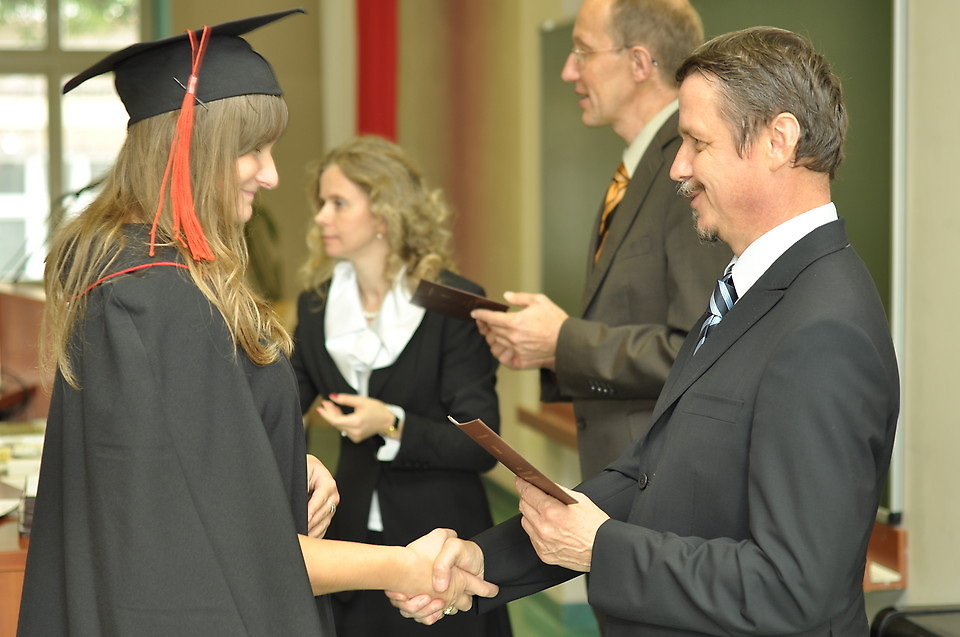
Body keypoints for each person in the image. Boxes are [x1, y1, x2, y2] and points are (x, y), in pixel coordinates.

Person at [393, 26, 901, 636]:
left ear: (778, 140)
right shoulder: (749, 289)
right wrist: (483, 561)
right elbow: (648, 473)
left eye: (697, 142)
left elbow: (794, 590)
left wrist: (601, 548)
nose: (678, 167)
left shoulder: (825, 331)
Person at [18, 11, 495, 636]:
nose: (271, 175)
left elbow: (177, 470)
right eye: (252, 150)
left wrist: (283, 461)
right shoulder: (160, 301)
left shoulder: (126, 271)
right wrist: (406, 567)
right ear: (193, 149)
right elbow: (238, 549)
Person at [472, 0, 731, 483]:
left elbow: (700, 346)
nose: (569, 71)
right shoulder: (639, 168)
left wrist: (563, 339)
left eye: (583, 51)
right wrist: (551, 349)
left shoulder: (686, 172)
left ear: (639, 63)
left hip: (662, 478)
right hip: (626, 474)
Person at [290, 135, 513, 637]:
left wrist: (392, 424)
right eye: (321, 203)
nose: (321, 217)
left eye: (338, 203)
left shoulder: (453, 302)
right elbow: (282, 406)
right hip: (352, 544)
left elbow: (481, 445)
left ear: (384, 214)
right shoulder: (316, 305)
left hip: (440, 544)